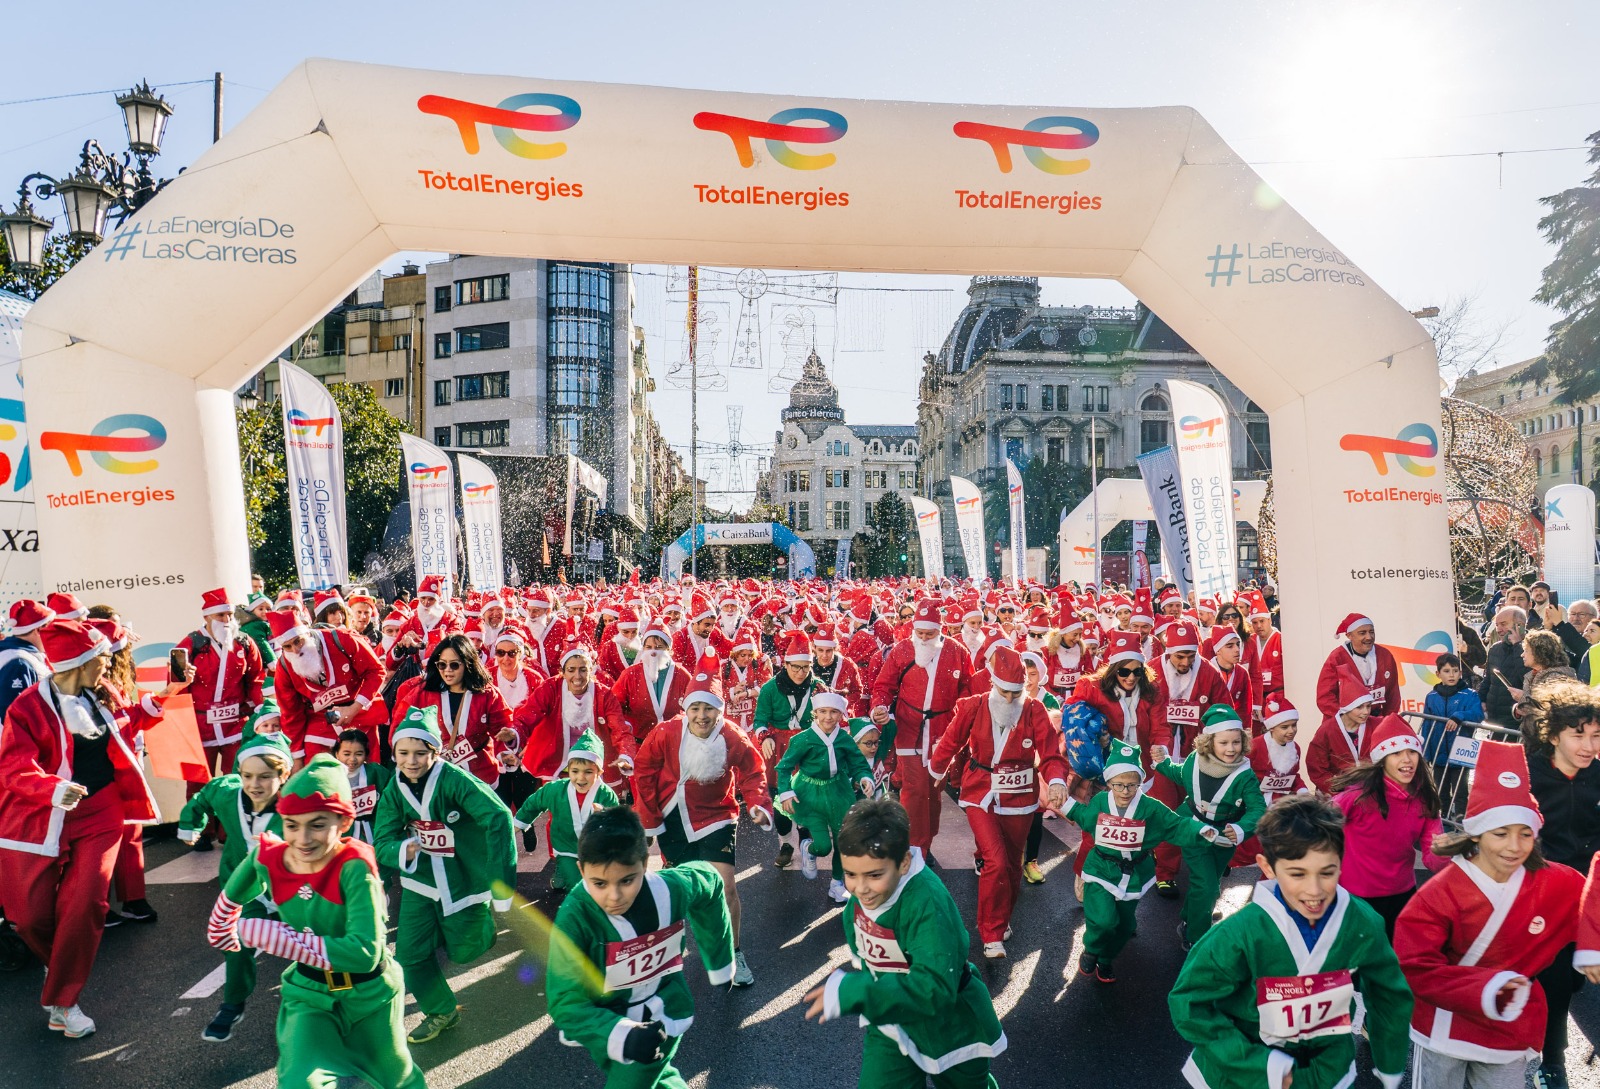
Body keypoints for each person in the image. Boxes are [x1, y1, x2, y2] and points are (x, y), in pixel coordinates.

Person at [206, 754, 425, 1088]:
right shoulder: (275, 856)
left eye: (318, 824)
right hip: (309, 994)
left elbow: (365, 953)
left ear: (343, 824)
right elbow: (255, 861)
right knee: (299, 1081)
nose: (303, 839)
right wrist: (223, 917)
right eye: (292, 825)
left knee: (395, 1079)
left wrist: (276, 936)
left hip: (369, 997)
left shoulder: (354, 867)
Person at [1169, 793, 1412, 1089]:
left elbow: (1388, 992)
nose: (1314, 890)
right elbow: (1189, 1001)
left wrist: (1389, 1059)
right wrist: (1253, 1062)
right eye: (1297, 874)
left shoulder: (1362, 922)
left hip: (1326, 1067)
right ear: (1268, 867)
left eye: (1327, 872)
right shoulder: (1239, 933)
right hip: (1247, 1072)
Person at [0, 620, 162, 1037]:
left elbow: (119, 727)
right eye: (101, 659)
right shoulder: (26, 708)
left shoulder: (102, 692)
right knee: (29, 916)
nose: (107, 666)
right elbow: (14, 767)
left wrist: (149, 708)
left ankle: (63, 1001)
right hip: (41, 815)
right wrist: (52, 789)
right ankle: (60, 964)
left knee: (87, 902)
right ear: (78, 663)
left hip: (102, 811)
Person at [1396, 740, 1584, 1089]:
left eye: (1525, 833)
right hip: (1445, 1028)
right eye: (1500, 833)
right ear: (1477, 835)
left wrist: (1592, 948)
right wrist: (1489, 988)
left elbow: (1591, 905)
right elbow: (1415, 966)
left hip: (1506, 1028)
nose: (1514, 846)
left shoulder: (1554, 881)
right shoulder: (1440, 893)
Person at [802, 798, 1007, 1088]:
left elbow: (935, 987)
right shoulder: (862, 899)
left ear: (904, 862)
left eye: (874, 875)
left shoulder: (928, 903)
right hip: (893, 1018)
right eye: (850, 874)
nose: (860, 888)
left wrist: (857, 990)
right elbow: (861, 939)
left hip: (950, 1023)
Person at [547, 806, 735, 1089]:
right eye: (598, 883)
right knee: (660, 1080)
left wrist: (720, 962)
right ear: (580, 870)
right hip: (604, 1022)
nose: (614, 897)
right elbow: (564, 1000)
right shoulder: (574, 917)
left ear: (645, 864)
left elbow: (710, 881)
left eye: (627, 880)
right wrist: (621, 1034)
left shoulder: (670, 889)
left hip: (662, 1014)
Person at [373, 705, 517, 1045]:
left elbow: (497, 817)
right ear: (393, 752)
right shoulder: (394, 790)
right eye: (403, 752)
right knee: (408, 956)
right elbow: (382, 840)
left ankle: (477, 927)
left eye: (420, 752)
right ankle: (441, 1010)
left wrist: (500, 881)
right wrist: (401, 849)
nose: (410, 760)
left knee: (466, 951)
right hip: (420, 882)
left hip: (461, 878)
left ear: (435, 752)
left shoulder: (454, 780)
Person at [631, 653, 771, 985]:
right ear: (686, 708)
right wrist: (649, 818)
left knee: (725, 886)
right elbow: (644, 770)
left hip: (718, 816)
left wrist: (756, 802)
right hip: (674, 816)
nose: (702, 715)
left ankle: (734, 952)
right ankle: (663, 956)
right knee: (676, 889)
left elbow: (753, 771)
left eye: (709, 708)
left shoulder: (732, 734)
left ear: (719, 710)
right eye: (695, 708)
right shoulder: (666, 732)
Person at [929, 646, 1067, 958]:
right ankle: (990, 933)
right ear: (992, 684)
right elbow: (951, 740)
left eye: (1015, 693)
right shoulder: (973, 706)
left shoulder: (1034, 710)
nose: (1009, 699)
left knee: (1013, 865)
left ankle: (1001, 917)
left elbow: (1050, 755)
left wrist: (1057, 780)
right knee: (994, 859)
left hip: (1020, 796)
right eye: (1004, 691)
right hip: (981, 792)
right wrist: (936, 771)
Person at [1057, 738, 1221, 983]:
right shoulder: (1101, 802)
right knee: (1103, 920)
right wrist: (1066, 804)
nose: (1125, 792)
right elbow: (1085, 817)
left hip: (1133, 874)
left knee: (1124, 926)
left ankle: (1105, 960)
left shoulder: (1151, 807)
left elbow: (1175, 825)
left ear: (1140, 784)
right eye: (1119, 785)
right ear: (1109, 783)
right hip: (1101, 868)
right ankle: (1092, 948)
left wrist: (1200, 831)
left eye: (1132, 785)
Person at [179, 731, 294, 1041]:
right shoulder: (227, 792)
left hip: (293, 889)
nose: (254, 784)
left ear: (283, 775)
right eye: (247, 775)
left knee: (318, 947)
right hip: (246, 888)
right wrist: (191, 826)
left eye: (265, 776)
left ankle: (336, 1003)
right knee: (237, 939)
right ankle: (232, 1004)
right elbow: (201, 799)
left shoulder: (298, 803)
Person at [1519, 680, 1600, 1087]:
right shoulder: (1528, 771)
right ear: (1553, 734)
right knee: (1550, 977)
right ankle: (1552, 1060)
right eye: (1578, 735)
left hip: (1589, 895)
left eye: (1596, 735)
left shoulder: (1599, 773)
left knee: (1572, 980)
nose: (1588, 745)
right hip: (1541, 894)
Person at [1152, 704, 1265, 949]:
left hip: (1225, 837)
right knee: (1206, 885)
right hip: (1194, 829)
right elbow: (1180, 773)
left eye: (1236, 742)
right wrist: (1162, 763)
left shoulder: (1245, 774)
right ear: (1210, 742)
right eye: (1223, 743)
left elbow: (1258, 810)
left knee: (1210, 884)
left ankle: (1190, 918)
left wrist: (1242, 828)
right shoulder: (1195, 760)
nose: (1231, 749)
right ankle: (1196, 937)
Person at [1330, 714, 1448, 937]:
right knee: (1359, 965)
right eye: (1396, 753)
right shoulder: (1357, 796)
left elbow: (1434, 861)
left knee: (1397, 962)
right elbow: (1319, 829)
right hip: (1356, 896)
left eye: (1412, 752)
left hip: (1402, 895)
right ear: (1382, 759)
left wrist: (1443, 851)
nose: (1407, 760)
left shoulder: (1425, 798)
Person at [870, 599, 973, 853]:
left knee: (934, 790)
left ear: (941, 630)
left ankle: (926, 840)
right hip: (909, 726)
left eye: (930, 633)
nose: (924, 638)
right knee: (914, 791)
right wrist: (879, 708)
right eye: (920, 633)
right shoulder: (902, 651)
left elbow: (968, 690)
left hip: (942, 729)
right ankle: (915, 849)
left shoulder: (957, 652)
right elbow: (884, 686)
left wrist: (961, 722)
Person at [776, 690, 876, 906]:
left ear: (841, 715)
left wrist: (866, 778)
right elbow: (784, 768)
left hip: (839, 792)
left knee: (844, 840)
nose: (828, 717)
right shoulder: (802, 739)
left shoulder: (844, 739)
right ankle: (810, 849)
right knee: (824, 846)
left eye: (833, 712)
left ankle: (837, 883)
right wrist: (786, 792)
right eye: (823, 712)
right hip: (810, 794)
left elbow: (858, 763)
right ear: (815, 713)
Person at [269, 608, 388, 765]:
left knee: (366, 777)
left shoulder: (342, 639)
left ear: (307, 633)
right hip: (320, 723)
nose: (296, 650)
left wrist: (353, 709)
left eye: (298, 641)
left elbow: (376, 671)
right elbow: (291, 712)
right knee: (316, 776)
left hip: (358, 713)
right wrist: (297, 759)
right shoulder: (284, 666)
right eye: (287, 646)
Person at [514, 729, 619, 906]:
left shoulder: (606, 795)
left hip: (594, 849)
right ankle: (571, 887)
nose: (580, 777)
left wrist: (605, 816)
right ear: (568, 770)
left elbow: (618, 823)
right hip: (565, 844)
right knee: (576, 885)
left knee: (597, 880)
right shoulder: (555, 790)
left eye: (588, 772)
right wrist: (517, 825)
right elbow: (533, 803)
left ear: (599, 772)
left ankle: (564, 873)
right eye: (575, 771)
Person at [393, 633, 513, 788]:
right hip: (435, 775)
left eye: (454, 665)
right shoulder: (421, 692)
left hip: (479, 775)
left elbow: (503, 727)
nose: (447, 670)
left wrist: (508, 742)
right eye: (442, 665)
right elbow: (399, 729)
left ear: (468, 663)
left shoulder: (486, 693)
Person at [515, 646, 635, 793]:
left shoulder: (603, 694)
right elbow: (528, 714)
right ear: (563, 672)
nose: (577, 676)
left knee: (595, 810)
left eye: (583, 670)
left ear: (591, 671)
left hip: (592, 764)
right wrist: (514, 732)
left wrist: (625, 754)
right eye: (571, 670)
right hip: (557, 761)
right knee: (559, 808)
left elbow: (619, 728)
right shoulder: (550, 688)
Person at [753, 631, 827, 867]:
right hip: (779, 748)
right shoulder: (769, 688)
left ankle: (806, 839)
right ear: (785, 664)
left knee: (806, 794)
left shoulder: (818, 687)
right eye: (795, 667)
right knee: (779, 797)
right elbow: (759, 720)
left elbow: (829, 717)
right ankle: (785, 843)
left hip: (807, 745)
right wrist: (764, 736)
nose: (800, 673)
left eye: (805, 668)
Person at [177, 588, 266, 780]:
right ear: (207, 617)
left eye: (230, 614)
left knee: (237, 780)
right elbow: (176, 687)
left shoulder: (244, 642)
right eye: (221, 615)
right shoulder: (189, 644)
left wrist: (260, 709)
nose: (227, 620)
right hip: (200, 727)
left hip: (235, 724)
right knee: (197, 785)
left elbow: (256, 678)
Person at [613, 625, 691, 748]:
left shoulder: (681, 675)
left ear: (669, 650)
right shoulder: (630, 674)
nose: (653, 652)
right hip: (639, 743)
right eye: (648, 647)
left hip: (672, 745)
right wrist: (625, 728)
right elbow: (614, 707)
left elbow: (694, 707)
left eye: (659, 647)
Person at [1304, 681, 1375, 793]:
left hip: (1370, 788)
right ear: (1347, 708)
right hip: (1339, 791)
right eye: (1359, 707)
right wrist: (1333, 787)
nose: (1366, 712)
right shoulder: (1327, 730)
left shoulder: (1376, 725)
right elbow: (1316, 766)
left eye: (1368, 706)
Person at [333, 727, 392, 847]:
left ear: (366, 754)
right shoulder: (331, 776)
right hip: (343, 834)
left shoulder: (377, 773)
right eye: (346, 754)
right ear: (337, 754)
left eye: (359, 754)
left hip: (375, 830)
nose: (352, 759)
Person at [0, 598, 53, 720]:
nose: (54, 632)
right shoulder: (19, 662)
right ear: (38, 630)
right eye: (51, 627)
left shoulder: (24, 656)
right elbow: (14, 715)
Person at [1479, 606, 1529, 725]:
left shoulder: (1532, 649)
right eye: (1497, 625)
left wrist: (1518, 645)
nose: (1499, 629)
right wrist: (1481, 700)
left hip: (1516, 719)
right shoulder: (1495, 648)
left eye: (1503, 624)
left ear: (1520, 625)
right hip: (1493, 718)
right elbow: (1488, 679)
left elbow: (1527, 676)